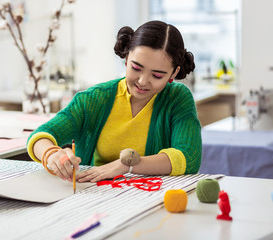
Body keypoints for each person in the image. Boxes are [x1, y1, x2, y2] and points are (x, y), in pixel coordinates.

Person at [27, 20, 201, 183]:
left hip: (151, 198)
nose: (142, 81)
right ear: (126, 58)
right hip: (94, 196)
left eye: (157, 75)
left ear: (173, 73)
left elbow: (188, 157)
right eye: (136, 68)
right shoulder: (95, 99)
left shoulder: (177, 98)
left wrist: (128, 164)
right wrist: (52, 154)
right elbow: (40, 135)